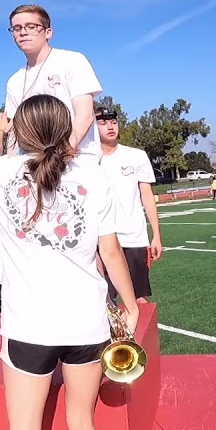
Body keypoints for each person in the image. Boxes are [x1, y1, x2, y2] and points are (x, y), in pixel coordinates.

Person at [0, 94, 139, 430]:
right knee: (82, 424)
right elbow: (110, 252)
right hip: (85, 324)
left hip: (28, 327)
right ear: (68, 128)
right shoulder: (93, 173)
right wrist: (129, 306)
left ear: (22, 131)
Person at [3, 4, 102, 165]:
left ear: (48, 32)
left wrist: (62, 156)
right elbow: (14, 131)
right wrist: (12, 164)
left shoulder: (72, 61)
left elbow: (85, 115)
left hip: (78, 162)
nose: (23, 32)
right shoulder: (14, 81)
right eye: (16, 28)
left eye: (31, 26)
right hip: (35, 168)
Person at [96, 106, 162, 303]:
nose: (110, 127)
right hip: (102, 240)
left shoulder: (136, 156)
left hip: (134, 237)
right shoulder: (87, 160)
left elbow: (147, 196)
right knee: (105, 300)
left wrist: (156, 236)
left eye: (113, 122)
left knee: (138, 299)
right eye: (103, 123)